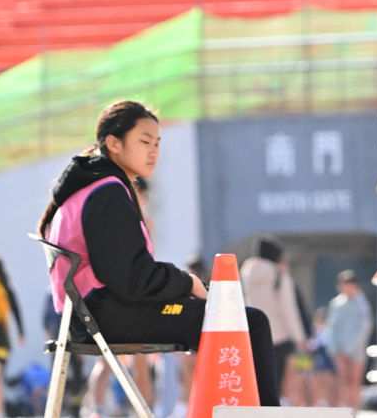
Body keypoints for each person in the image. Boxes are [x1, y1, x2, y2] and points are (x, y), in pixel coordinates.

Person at [37, 100, 280, 406]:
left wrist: (182, 285)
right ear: (114, 143)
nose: (153, 152)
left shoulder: (88, 187)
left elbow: (126, 275)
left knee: (227, 316)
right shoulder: (107, 192)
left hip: (89, 315)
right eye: (144, 142)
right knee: (249, 322)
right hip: (105, 315)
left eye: (157, 143)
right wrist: (187, 282)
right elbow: (133, 280)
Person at [241, 235, 308, 401]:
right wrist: (299, 338)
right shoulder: (279, 276)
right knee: (280, 383)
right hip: (279, 336)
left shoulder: (246, 274)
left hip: (255, 334)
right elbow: (288, 309)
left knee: (259, 380)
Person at [326, 269, 372, 410]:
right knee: (342, 382)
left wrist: (349, 348)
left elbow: (364, 328)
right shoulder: (336, 304)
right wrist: (335, 349)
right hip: (339, 351)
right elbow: (331, 328)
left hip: (356, 350)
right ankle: (344, 409)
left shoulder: (362, 304)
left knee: (355, 382)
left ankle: (354, 410)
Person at [0, 254, 25, 418]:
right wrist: (21, 333)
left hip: (0, 341)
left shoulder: (2, 290)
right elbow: (16, 311)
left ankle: (0, 413)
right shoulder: (6, 289)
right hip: (3, 343)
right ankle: (0, 412)